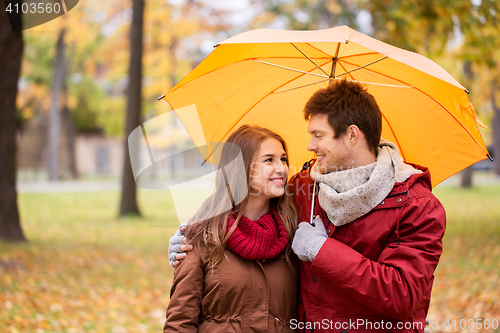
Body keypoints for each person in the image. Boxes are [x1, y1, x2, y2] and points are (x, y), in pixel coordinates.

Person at [170, 80, 445, 333]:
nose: (310, 145)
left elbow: (403, 295)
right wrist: (189, 240)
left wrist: (321, 250)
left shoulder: (416, 205)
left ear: (351, 135)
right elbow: (244, 205)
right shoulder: (304, 189)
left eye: (318, 135)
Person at [164, 124, 299, 332]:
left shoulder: (293, 234)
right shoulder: (202, 236)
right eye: (269, 160)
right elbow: (180, 322)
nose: (281, 168)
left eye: (283, 159)